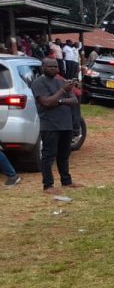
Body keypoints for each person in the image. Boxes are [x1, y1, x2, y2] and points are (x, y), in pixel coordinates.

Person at [31, 58, 81, 193]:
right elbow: (46, 103)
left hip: (65, 123)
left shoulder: (62, 81)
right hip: (50, 124)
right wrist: (62, 92)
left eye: (56, 66)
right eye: (50, 66)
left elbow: (74, 100)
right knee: (49, 155)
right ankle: (48, 185)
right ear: (43, 67)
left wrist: (58, 101)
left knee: (64, 155)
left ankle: (66, 181)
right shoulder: (38, 83)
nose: (54, 69)